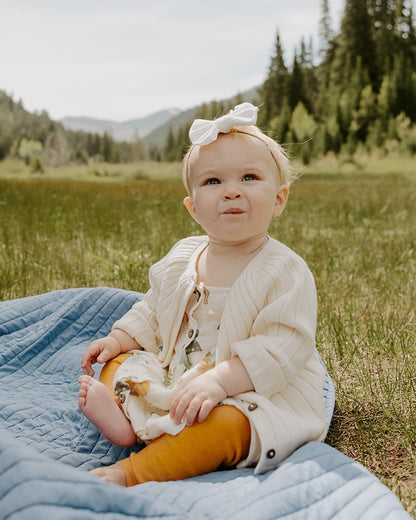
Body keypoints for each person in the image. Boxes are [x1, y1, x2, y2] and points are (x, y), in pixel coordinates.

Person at [78, 102, 327, 487]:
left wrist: (219, 383)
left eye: (248, 177)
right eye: (214, 182)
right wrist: (118, 339)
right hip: (175, 371)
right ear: (194, 209)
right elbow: (153, 310)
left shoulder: (285, 270)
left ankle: (133, 471)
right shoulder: (183, 256)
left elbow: (283, 346)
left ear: (279, 199)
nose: (231, 192)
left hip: (246, 389)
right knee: (118, 364)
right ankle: (126, 425)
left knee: (225, 425)